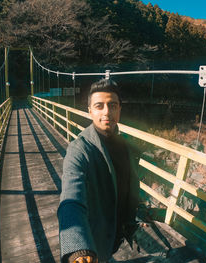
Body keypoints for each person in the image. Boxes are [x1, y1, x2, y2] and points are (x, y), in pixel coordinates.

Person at [57, 78, 139, 263]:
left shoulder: (126, 145)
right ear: (90, 111)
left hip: (117, 235)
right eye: (99, 106)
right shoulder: (79, 150)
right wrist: (77, 248)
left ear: (119, 109)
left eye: (113, 105)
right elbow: (71, 201)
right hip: (96, 242)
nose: (107, 112)